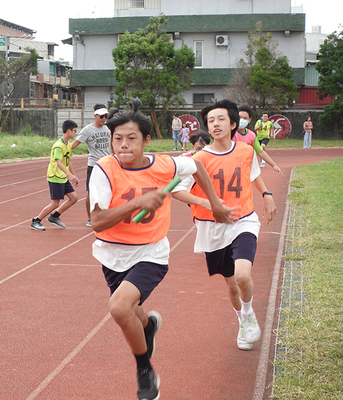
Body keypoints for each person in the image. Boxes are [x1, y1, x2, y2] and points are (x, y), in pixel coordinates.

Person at [89, 101, 235, 400]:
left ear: (146, 140)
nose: (124, 144)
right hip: (111, 254)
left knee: (119, 308)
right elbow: (97, 221)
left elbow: (197, 166)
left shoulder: (165, 164)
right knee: (132, 311)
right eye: (118, 138)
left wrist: (214, 203)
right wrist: (135, 204)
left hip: (150, 252)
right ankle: (149, 326)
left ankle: (145, 371)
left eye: (131, 138)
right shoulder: (105, 170)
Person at [172, 99, 277, 352]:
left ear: (233, 124)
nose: (215, 124)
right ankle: (242, 320)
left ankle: (249, 313)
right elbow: (177, 191)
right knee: (231, 283)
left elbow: (252, 175)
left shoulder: (245, 151)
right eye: (210, 121)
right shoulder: (197, 159)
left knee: (242, 275)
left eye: (220, 119)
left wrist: (267, 194)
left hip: (243, 220)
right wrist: (209, 203)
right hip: (212, 226)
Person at [31, 120, 80, 231]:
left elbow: (68, 161)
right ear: (68, 131)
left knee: (74, 198)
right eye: (74, 131)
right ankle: (36, 220)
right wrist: (69, 175)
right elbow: (59, 162)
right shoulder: (58, 145)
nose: (75, 133)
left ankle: (54, 216)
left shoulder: (67, 145)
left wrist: (73, 176)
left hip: (63, 177)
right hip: (55, 177)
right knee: (55, 203)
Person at [71, 104, 112, 227]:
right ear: (95, 116)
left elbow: (113, 144)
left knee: (109, 191)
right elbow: (75, 143)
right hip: (94, 165)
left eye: (105, 116)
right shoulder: (87, 130)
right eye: (101, 116)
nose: (103, 119)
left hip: (108, 165)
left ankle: (106, 214)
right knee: (91, 192)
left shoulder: (108, 128)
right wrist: (62, 149)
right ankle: (90, 218)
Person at [236, 105, 283, 176]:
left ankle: (262, 161)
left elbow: (260, 151)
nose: (242, 120)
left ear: (249, 120)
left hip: (243, 169)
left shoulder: (251, 135)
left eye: (245, 118)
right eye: (239, 117)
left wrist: (274, 165)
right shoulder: (229, 133)